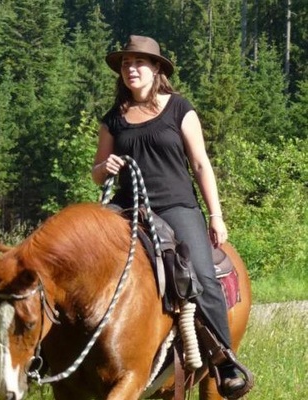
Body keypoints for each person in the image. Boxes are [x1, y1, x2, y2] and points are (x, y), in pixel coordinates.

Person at [91, 35, 253, 398]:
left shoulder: (180, 108)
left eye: (139, 63)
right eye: (126, 64)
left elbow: (200, 163)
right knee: (85, 259)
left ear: (156, 69)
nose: (131, 69)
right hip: (126, 208)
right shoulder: (113, 120)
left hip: (176, 206)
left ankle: (225, 360)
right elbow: (97, 173)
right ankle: (55, 356)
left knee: (201, 272)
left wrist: (215, 214)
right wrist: (106, 165)